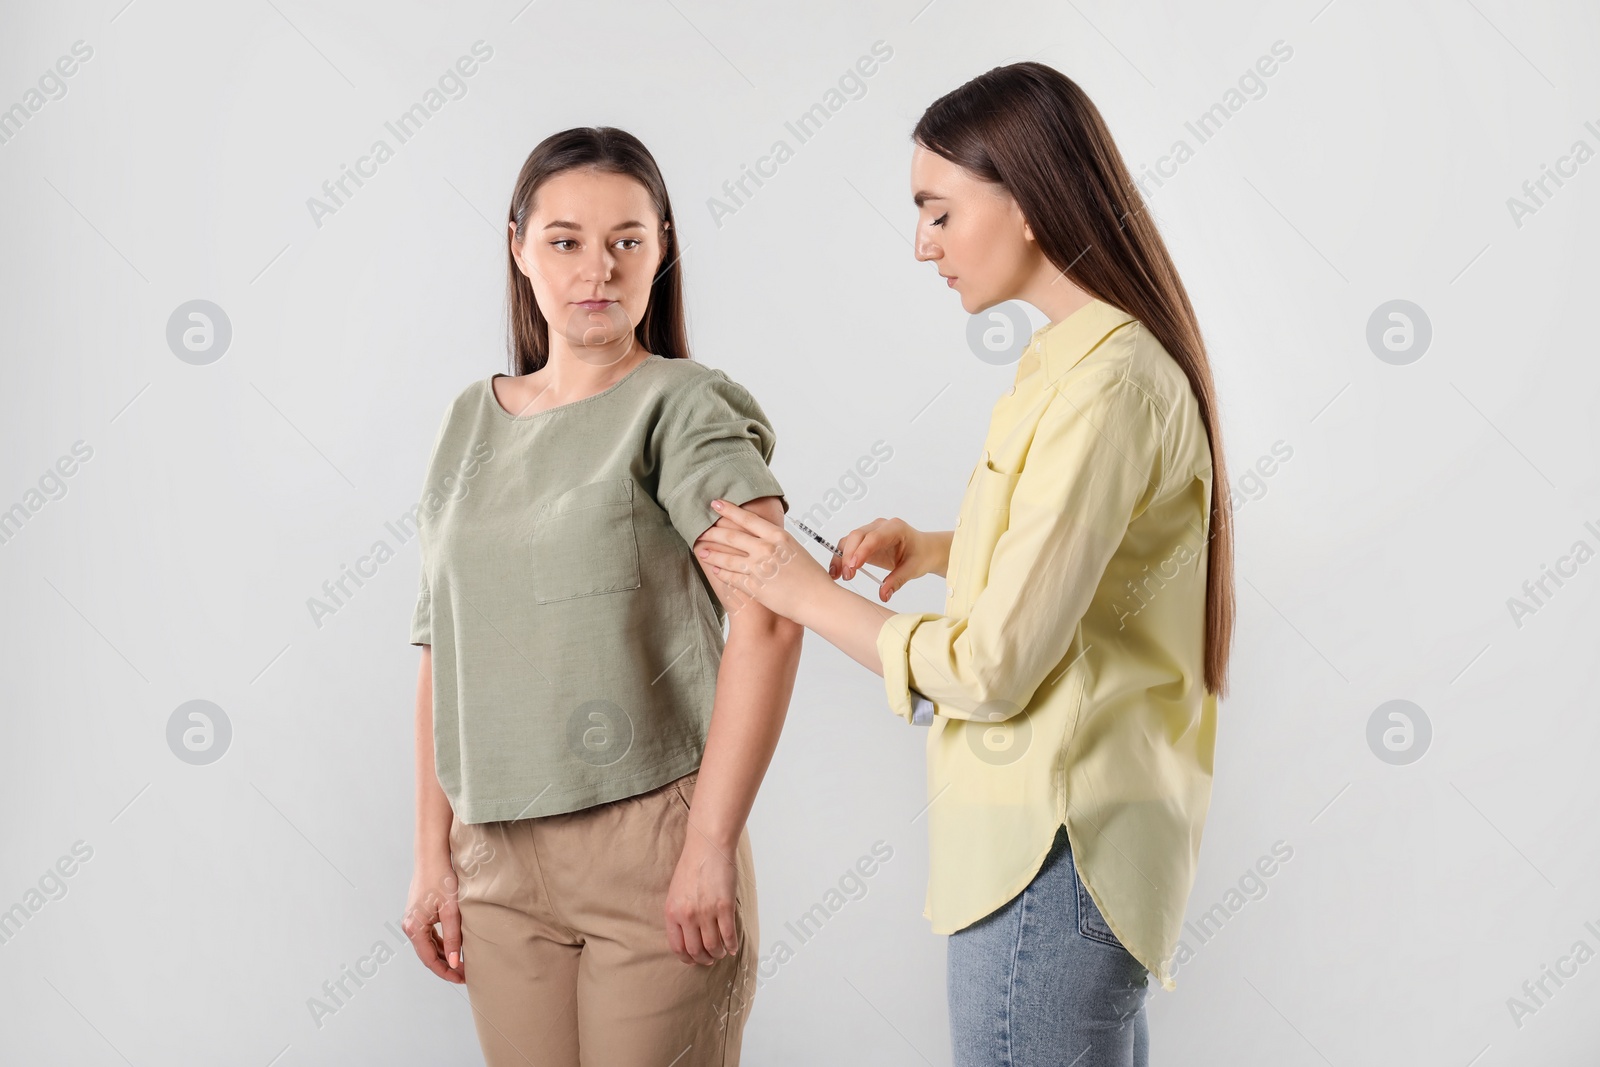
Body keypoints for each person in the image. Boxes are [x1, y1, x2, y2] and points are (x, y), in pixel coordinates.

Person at [693, 62, 1236, 1067]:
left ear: (1025, 202)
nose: (921, 243)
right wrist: (942, 549)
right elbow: (1088, 561)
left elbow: (992, 669)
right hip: (1069, 848)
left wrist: (801, 594)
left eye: (937, 210)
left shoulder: (1104, 384)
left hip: (1053, 848)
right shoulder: (1073, 360)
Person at [399, 126, 803, 1067]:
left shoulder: (682, 404)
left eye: (628, 240)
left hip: (650, 846)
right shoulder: (468, 419)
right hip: (493, 858)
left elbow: (772, 615)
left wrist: (710, 843)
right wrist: (431, 856)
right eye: (565, 240)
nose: (599, 270)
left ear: (662, 250)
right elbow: (436, 648)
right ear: (518, 247)